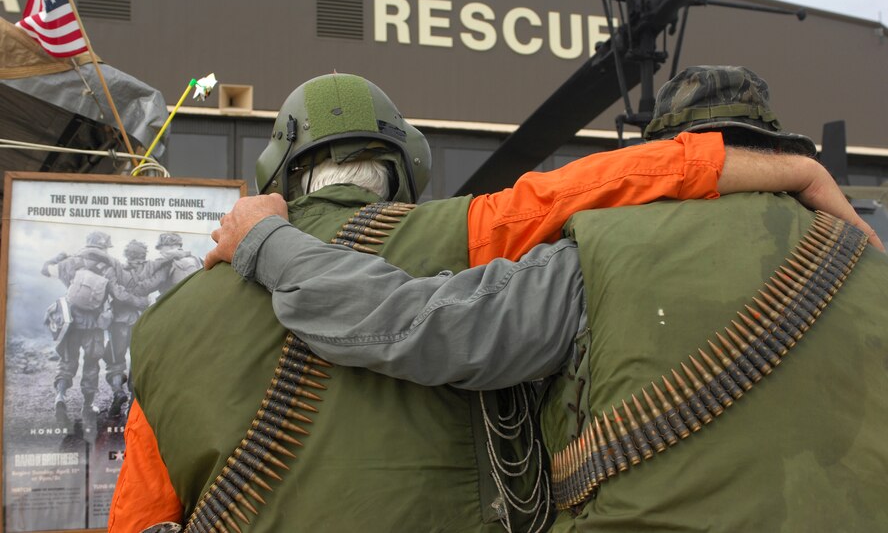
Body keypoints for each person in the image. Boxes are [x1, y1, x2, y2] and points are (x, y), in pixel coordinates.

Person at [110, 72, 873, 533]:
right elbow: (601, 184)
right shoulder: (475, 231)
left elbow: (138, 519)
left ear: (280, 166)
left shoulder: (163, 328)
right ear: (406, 162)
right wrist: (788, 173)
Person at [42, 231, 120, 426]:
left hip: (69, 322)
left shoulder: (70, 263)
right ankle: (88, 405)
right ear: (104, 247)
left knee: (67, 361)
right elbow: (116, 295)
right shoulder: (109, 266)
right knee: (91, 364)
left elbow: (45, 270)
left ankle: (60, 396)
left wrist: (59, 256)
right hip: (94, 325)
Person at [104, 240, 173, 418]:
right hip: (140, 322)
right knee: (138, 362)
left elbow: (116, 293)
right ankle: (133, 407)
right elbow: (158, 274)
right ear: (143, 254)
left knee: (115, 361)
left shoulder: (115, 269)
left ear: (127, 254)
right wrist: (141, 301)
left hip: (119, 322)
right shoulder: (149, 268)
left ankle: (118, 393)